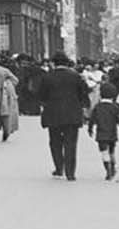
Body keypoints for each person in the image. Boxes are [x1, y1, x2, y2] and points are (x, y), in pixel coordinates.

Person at [37, 51, 90, 181]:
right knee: (71, 143)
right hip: (72, 114)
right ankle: (70, 172)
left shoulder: (47, 77)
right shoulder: (76, 76)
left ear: (54, 63)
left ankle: (59, 168)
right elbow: (84, 94)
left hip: (53, 114)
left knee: (55, 142)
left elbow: (41, 95)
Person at [89, 82, 119, 182]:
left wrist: (90, 129)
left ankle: (107, 169)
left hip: (101, 133)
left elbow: (92, 120)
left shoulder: (97, 107)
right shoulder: (115, 107)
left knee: (104, 152)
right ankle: (112, 166)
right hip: (112, 133)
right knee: (112, 151)